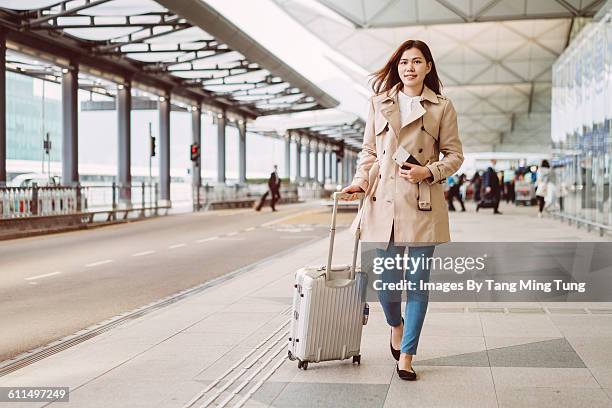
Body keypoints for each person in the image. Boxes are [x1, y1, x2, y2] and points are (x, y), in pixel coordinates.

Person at [340, 40, 463, 381]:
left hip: (423, 203)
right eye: (404, 62)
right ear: (397, 68)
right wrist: (359, 183)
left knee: (418, 285)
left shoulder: (442, 107)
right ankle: (395, 325)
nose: (409, 67)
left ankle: (407, 355)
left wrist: (429, 171)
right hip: (385, 204)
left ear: (428, 67)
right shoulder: (380, 103)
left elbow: (454, 155)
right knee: (387, 286)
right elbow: (368, 151)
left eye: (417, 62)